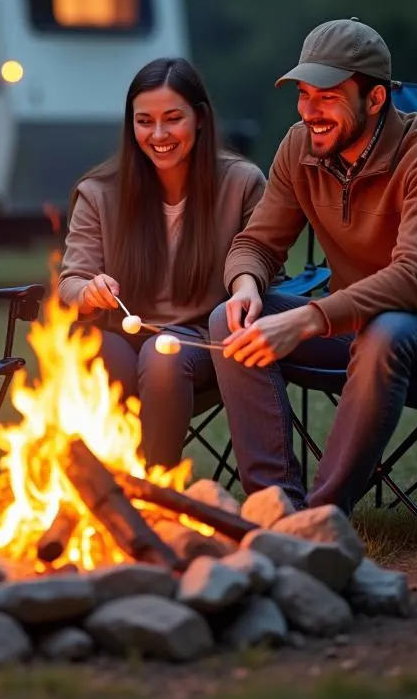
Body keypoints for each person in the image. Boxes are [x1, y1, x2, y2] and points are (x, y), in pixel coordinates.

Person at [209, 18, 417, 516]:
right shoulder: (298, 147)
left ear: (374, 100)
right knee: (228, 318)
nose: (309, 111)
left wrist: (309, 318)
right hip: (362, 331)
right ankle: (275, 507)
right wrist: (246, 286)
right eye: (304, 94)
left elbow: (415, 278)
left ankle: (321, 517)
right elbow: (257, 244)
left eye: (327, 97)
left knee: (389, 329)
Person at [58, 57, 266, 469]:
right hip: (121, 330)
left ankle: (156, 491)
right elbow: (71, 283)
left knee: (163, 355)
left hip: (202, 340)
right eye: (144, 121)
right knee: (91, 350)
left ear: (200, 118)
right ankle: (104, 492)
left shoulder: (241, 183)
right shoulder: (99, 191)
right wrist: (88, 291)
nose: (158, 134)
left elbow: (263, 260)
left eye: (172, 119)